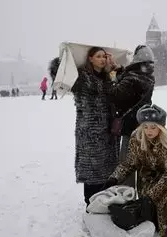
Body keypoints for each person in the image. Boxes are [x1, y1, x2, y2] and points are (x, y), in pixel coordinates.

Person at [103, 104, 167, 236]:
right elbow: (130, 163)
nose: (149, 130)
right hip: (148, 175)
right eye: (145, 126)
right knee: (146, 204)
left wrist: (151, 196)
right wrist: (114, 178)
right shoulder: (136, 139)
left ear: (161, 127)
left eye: (153, 127)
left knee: (163, 201)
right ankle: (151, 223)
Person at [71, 47, 120, 207]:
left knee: (107, 169)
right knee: (91, 169)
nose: (102, 59)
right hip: (89, 132)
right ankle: (90, 204)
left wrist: (114, 67)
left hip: (108, 131)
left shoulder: (107, 77)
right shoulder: (82, 77)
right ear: (90, 58)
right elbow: (62, 77)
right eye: (98, 56)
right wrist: (62, 60)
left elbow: (119, 90)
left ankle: (104, 203)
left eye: (104, 56)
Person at [104, 45, 156, 188]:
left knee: (127, 162)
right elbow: (129, 78)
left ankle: (127, 194)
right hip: (142, 124)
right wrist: (119, 68)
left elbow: (115, 94)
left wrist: (110, 76)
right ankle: (138, 191)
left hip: (130, 126)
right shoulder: (148, 76)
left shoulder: (134, 78)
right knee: (139, 161)